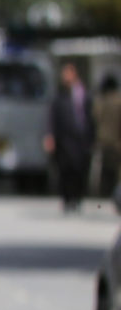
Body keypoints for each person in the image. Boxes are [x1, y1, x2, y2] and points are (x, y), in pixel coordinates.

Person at [47, 57, 94, 210]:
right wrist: (50, 136)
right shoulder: (59, 97)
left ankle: (77, 197)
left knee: (79, 169)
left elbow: (90, 117)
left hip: (81, 139)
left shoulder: (84, 94)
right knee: (65, 169)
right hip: (64, 139)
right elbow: (52, 118)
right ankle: (67, 198)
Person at [93, 70, 121, 202]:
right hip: (117, 142)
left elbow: (94, 118)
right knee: (117, 173)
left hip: (103, 141)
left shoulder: (99, 101)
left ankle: (103, 195)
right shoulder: (118, 101)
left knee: (104, 171)